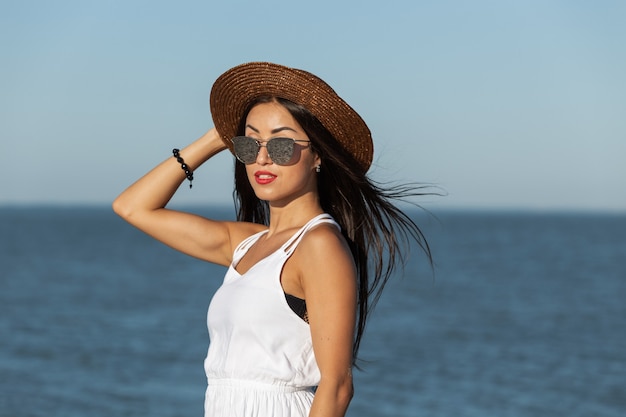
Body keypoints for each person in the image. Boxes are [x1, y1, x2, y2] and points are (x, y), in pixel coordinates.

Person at [113, 62, 431, 417]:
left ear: (318, 156)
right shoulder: (246, 244)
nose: (262, 158)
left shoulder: (319, 246)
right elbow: (132, 207)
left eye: (281, 145)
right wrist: (211, 140)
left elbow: (337, 386)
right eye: (249, 145)